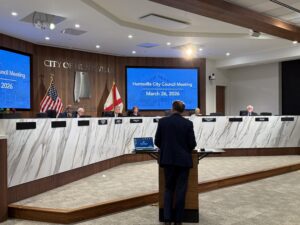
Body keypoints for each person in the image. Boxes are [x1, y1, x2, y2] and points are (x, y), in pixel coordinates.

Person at [155, 100, 197, 225]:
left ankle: (167, 219)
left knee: (168, 189)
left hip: (168, 160)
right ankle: (178, 220)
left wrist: (167, 148)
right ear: (183, 110)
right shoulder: (188, 123)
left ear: (172, 108)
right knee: (181, 190)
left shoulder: (163, 122)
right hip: (183, 161)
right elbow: (192, 144)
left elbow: (157, 141)